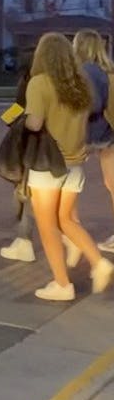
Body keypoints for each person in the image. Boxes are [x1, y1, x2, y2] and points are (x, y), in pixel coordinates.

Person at [21, 32, 113, 300]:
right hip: (75, 163)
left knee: (47, 226)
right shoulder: (80, 86)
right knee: (67, 220)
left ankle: (62, 283)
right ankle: (99, 262)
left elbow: (35, 124)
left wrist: (22, 122)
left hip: (47, 163)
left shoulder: (39, 83)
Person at [73, 29, 114, 254]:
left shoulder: (86, 71)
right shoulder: (106, 70)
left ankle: (72, 233)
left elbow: (93, 104)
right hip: (109, 134)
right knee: (111, 184)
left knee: (68, 181)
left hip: (94, 135)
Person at [0, 46, 40, 262]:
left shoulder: (30, 82)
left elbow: (20, 106)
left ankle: (24, 240)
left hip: (28, 143)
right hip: (43, 146)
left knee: (24, 192)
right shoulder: (52, 81)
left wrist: (9, 119)